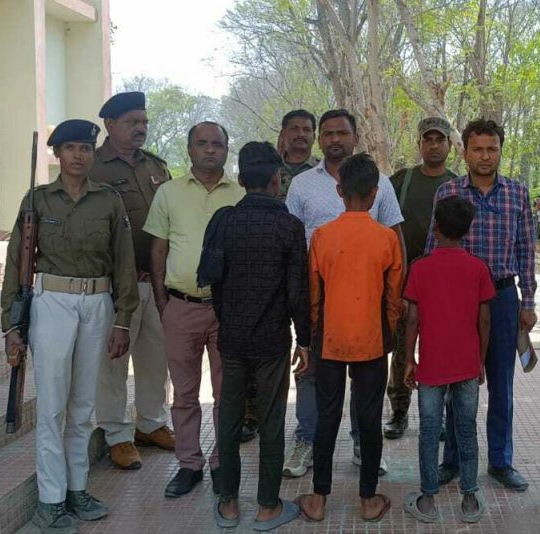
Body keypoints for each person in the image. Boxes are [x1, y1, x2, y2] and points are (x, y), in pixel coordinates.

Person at [2, 120, 138, 533]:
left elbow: (124, 262)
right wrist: (11, 323)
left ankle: (77, 489)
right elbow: (16, 263)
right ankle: (50, 501)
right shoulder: (38, 200)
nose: (79, 155)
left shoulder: (108, 200)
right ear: (57, 154)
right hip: (53, 303)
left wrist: (123, 320)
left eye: (86, 148)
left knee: (82, 406)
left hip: (97, 303)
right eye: (71, 148)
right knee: (52, 407)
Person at [283, 109, 405, 478]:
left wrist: (392, 312)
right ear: (320, 139)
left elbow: (395, 240)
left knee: (365, 385)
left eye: (342, 132)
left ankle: (362, 444)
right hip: (317, 299)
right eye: (328, 133)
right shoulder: (302, 184)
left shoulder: (381, 183)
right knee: (310, 375)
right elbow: (291, 242)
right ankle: (306, 439)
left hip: (367, 304)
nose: (335, 139)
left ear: (355, 137)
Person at [427, 118, 536, 492]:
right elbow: (433, 248)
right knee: (456, 382)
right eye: (478, 149)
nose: (485, 156)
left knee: (501, 384)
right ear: (465, 152)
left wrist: (528, 301)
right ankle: (453, 460)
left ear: (501, 151)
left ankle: (500, 462)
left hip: (503, 298)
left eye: (492, 149)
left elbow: (526, 250)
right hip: (457, 302)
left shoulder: (517, 194)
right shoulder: (448, 192)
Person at [142, 121, 246, 498]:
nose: (210, 149)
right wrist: (161, 301)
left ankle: (221, 463)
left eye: (217, 143)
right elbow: (158, 250)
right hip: (180, 306)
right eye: (202, 143)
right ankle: (189, 464)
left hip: (226, 310)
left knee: (226, 393)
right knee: (184, 394)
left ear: (227, 150)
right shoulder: (168, 193)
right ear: (189, 149)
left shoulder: (240, 194)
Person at [210, 142, 309, 531]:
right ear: (276, 180)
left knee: (229, 417)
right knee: (271, 421)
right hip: (271, 341)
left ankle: (228, 504)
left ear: (240, 179)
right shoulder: (289, 227)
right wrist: (305, 340)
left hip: (232, 339)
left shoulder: (224, 222)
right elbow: (297, 293)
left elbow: (214, 283)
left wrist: (228, 321)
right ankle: (268, 507)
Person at [89, 91, 175, 470]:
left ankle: (151, 423)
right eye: (132, 122)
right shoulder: (93, 168)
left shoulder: (155, 165)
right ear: (110, 125)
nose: (140, 128)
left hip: (156, 281)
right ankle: (116, 434)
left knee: (156, 357)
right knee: (113, 361)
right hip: (114, 285)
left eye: (143, 122)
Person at [402, 195, 493, 524]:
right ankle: (469, 497)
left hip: (431, 366)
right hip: (467, 365)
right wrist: (480, 360)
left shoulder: (420, 268)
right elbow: (484, 320)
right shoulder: (478, 268)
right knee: (466, 429)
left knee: (429, 431)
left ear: (435, 228)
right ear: (468, 231)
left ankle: (428, 499)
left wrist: (409, 359)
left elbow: (412, 318)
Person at [383, 116, 459, 440]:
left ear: (449, 145)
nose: (434, 145)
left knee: (439, 349)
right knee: (402, 349)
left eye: (440, 140)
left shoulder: (457, 185)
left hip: (444, 283)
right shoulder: (402, 180)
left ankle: (438, 416)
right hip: (405, 280)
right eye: (428, 140)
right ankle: (399, 412)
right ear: (419, 144)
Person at [277, 109, 321, 201]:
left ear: (314, 137)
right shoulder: (271, 169)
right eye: (294, 129)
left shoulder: (323, 169)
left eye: (307, 130)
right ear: (283, 134)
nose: (301, 134)